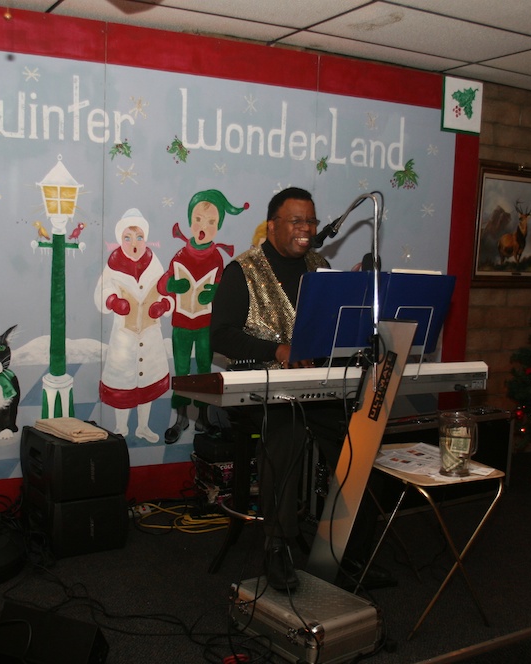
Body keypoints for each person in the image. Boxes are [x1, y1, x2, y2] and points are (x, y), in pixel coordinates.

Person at [210, 187, 389, 592]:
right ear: (272, 226)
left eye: (310, 220)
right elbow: (220, 336)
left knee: (359, 444)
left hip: (318, 388)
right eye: (296, 221)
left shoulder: (319, 266)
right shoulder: (243, 270)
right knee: (285, 437)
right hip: (263, 390)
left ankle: (345, 554)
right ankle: (277, 548)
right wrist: (277, 348)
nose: (306, 228)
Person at [155, 189, 247, 444]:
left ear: (218, 227)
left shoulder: (217, 257)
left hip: (206, 325)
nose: (203, 226)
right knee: (183, 371)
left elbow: (223, 287)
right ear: (189, 221)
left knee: (205, 371)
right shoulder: (181, 255)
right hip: (181, 324)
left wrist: (214, 291)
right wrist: (173, 285)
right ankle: (181, 418)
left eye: (211, 222)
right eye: (198, 219)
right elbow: (162, 285)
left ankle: (204, 419)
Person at [94, 208, 171, 442]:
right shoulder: (113, 265)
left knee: (146, 384)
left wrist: (164, 305)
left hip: (149, 334)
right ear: (120, 239)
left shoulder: (154, 264)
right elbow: (102, 289)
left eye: (139, 237)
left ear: (146, 239)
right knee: (124, 383)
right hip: (125, 338)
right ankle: (120, 427)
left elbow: (166, 290)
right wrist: (112, 301)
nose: (133, 243)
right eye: (127, 238)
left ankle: (143, 426)